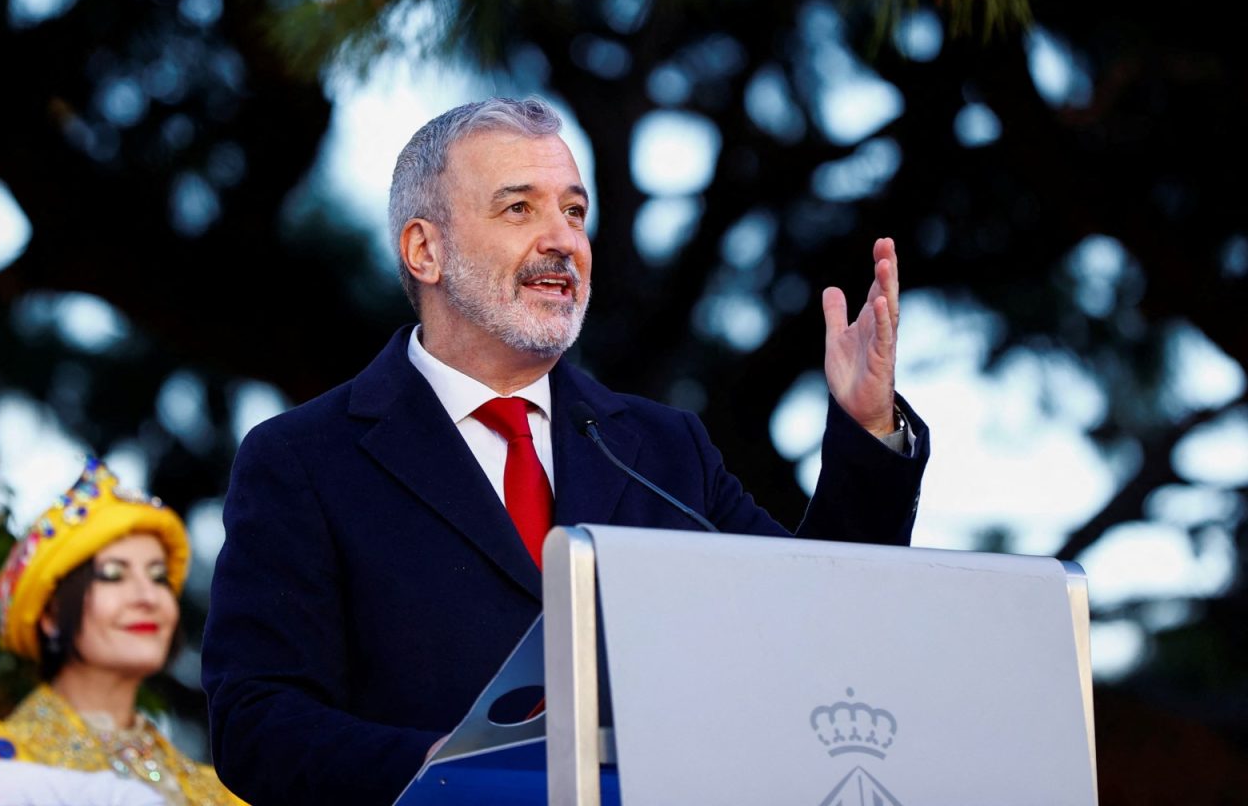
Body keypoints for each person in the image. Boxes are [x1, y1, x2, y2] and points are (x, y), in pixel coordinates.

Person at [200, 96, 930, 806]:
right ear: (425, 250)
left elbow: (820, 624)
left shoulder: (664, 450)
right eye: (520, 208)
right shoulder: (304, 459)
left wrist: (867, 428)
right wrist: (441, 774)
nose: (563, 240)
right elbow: (256, 722)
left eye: (574, 211)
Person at [0, 459, 246, 806]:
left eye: (158, 577)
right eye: (113, 575)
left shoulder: (218, 789)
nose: (148, 597)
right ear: (52, 615)